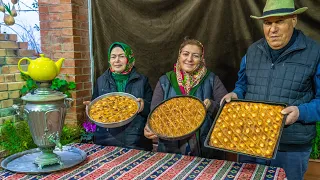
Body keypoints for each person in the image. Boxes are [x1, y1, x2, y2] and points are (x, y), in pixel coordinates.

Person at [220, 0, 320, 179]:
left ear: (294, 20)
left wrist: (300, 112)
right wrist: (236, 94)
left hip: (289, 148)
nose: (272, 29)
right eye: (267, 23)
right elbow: (243, 84)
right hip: (250, 142)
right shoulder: (252, 51)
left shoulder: (314, 53)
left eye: (279, 21)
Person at [144, 37, 228, 159]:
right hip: (170, 148)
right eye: (185, 54)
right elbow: (154, 112)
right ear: (179, 56)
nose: (189, 59)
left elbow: (225, 109)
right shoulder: (165, 81)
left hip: (203, 149)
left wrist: (211, 105)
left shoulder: (211, 80)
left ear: (201, 59)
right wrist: (149, 126)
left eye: (195, 55)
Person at [84, 42, 153, 151]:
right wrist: (90, 108)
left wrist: (144, 105)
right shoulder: (101, 80)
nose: (117, 60)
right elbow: (96, 107)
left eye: (121, 56)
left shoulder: (142, 80)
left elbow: (153, 109)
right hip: (106, 139)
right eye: (113, 57)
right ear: (109, 60)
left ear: (129, 59)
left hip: (136, 139)